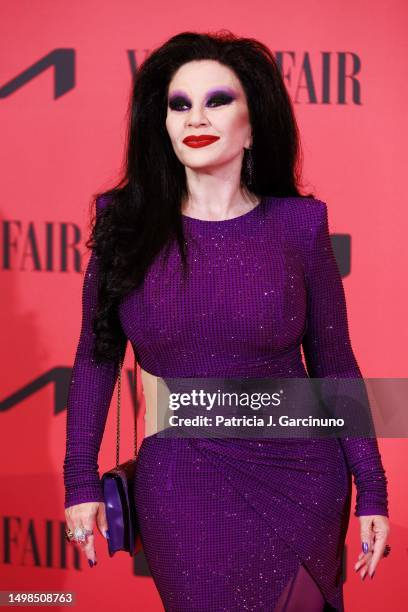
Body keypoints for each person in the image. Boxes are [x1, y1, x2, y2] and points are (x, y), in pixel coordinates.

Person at [63, 31, 390, 611]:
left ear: (253, 123)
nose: (197, 117)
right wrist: (79, 480)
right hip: (183, 482)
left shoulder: (299, 227)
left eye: (218, 100)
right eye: (179, 104)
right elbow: (97, 357)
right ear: (161, 124)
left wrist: (373, 490)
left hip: (302, 475)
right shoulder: (126, 227)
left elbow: (335, 364)